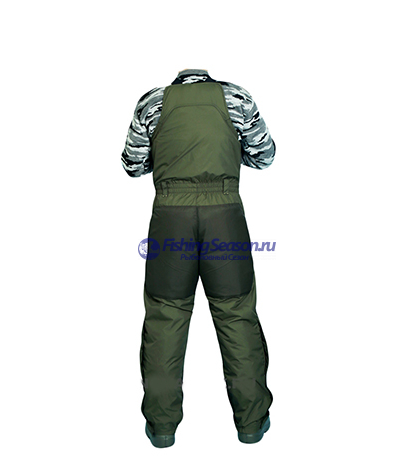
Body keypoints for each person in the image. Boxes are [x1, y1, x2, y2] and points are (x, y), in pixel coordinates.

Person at [121, 68, 276, 447]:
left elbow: (132, 165)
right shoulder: (237, 97)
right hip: (225, 218)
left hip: (170, 220)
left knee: (164, 319)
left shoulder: (151, 102)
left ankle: (161, 428)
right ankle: (252, 424)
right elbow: (265, 156)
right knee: (237, 315)